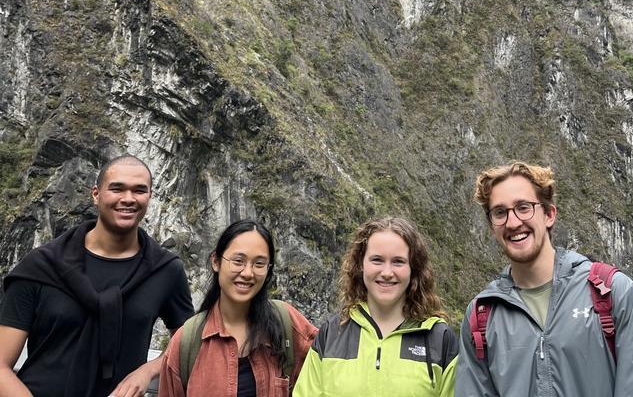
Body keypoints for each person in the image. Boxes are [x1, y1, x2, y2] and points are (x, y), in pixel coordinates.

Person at [455, 162, 633, 397]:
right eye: (500, 212)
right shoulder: (482, 316)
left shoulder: (612, 292)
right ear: (491, 226)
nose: (513, 222)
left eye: (524, 207)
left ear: (549, 214)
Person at [0, 154, 194, 397]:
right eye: (117, 188)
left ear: (149, 197)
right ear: (96, 194)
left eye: (139, 190)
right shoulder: (42, 266)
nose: (128, 199)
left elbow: (188, 343)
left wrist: (147, 371)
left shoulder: (165, 270)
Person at [294, 216, 458, 397]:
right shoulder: (332, 334)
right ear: (361, 265)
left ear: (413, 268)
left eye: (398, 261)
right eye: (377, 260)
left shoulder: (439, 339)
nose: (387, 272)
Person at [158, 219, 317, 396]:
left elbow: (328, 368)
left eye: (259, 264)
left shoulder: (286, 322)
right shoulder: (187, 341)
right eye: (238, 261)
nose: (248, 273)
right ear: (216, 261)